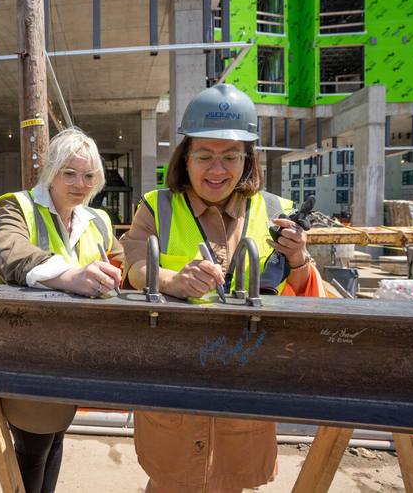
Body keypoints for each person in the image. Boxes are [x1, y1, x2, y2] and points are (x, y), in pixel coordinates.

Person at [120, 84, 327, 493]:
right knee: (170, 480)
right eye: (205, 156)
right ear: (186, 157)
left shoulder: (272, 211)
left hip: (244, 381)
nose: (217, 169)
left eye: (231, 157)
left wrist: (300, 259)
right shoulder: (157, 206)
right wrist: (172, 280)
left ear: (247, 160)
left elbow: (304, 294)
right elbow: (134, 266)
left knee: (230, 479)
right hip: (175, 381)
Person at [0, 127, 124, 493]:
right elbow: (9, 253)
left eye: (89, 175)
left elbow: (122, 262)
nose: (81, 183)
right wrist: (71, 274)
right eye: (70, 172)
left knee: (56, 436)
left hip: (76, 353)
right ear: (51, 170)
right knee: (33, 450)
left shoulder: (97, 220)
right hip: (27, 350)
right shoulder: (16, 205)